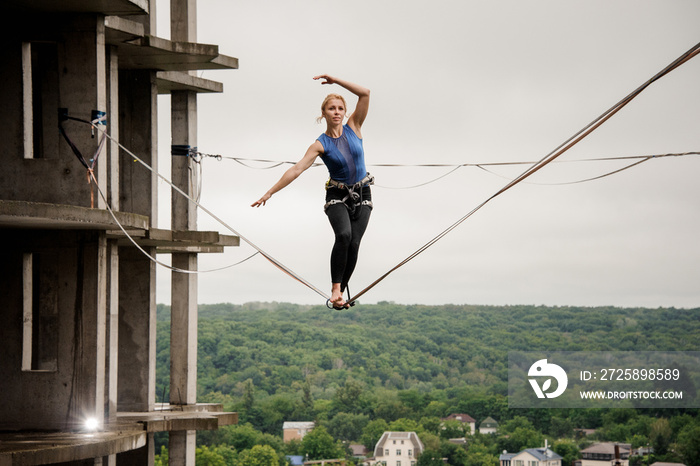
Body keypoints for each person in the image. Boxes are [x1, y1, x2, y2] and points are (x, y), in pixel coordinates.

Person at [252, 75, 372, 309]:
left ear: (345, 112)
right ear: (324, 114)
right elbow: (296, 170)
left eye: (340, 108)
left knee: (355, 243)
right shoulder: (320, 144)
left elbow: (365, 93)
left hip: (362, 192)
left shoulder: (354, 127)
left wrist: (335, 81)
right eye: (331, 108)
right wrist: (270, 192)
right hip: (337, 195)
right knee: (344, 236)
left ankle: (340, 297)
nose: (336, 112)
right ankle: (335, 287)